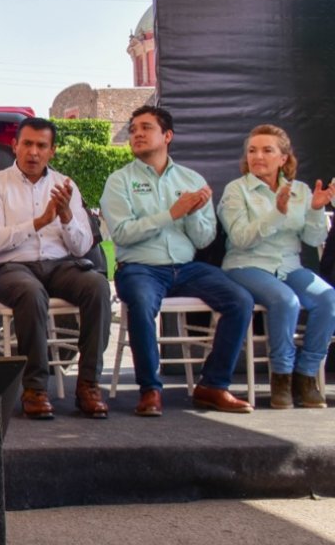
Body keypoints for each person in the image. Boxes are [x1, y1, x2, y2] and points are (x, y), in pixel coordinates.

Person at [101, 105, 254, 416]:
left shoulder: (191, 179)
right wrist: (171, 213)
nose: (137, 134)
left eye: (145, 128)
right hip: (139, 268)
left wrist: (194, 213)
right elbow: (122, 234)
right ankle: (150, 391)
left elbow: (203, 240)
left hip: (186, 268)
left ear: (167, 136)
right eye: (133, 130)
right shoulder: (119, 181)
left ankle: (213, 385)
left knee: (240, 300)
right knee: (142, 305)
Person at [0, 118, 111, 420]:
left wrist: (64, 217)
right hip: (11, 268)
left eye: (41, 146)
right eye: (27, 144)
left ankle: (89, 384)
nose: (33, 152)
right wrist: (38, 222)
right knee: (31, 292)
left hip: (60, 265)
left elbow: (80, 247)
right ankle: (35, 388)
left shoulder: (65, 186)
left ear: (53, 151)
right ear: (15, 146)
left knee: (98, 286)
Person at [219, 124, 334, 409]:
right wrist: (277, 214)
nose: (258, 156)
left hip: (289, 266)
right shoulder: (236, 191)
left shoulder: (301, 190)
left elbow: (313, 238)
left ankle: (306, 376)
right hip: (246, 265)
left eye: (267, 150)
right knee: (286, 299)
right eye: (252, 150)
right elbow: (241, 238)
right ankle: (280, 378)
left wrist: (317, 209)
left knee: (328, 298)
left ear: (283, 158)